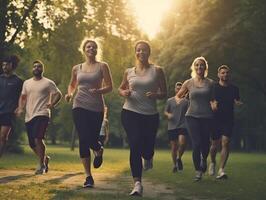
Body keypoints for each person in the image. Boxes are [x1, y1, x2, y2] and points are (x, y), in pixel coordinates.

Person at [119, 40, 167, 196]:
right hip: (129, 112)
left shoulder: (157, 71)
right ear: (135, 52)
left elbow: (164, 93)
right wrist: (124, 92)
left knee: (147, 148)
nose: (141, 53)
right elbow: (121, 88)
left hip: (150, 115)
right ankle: (137, 183)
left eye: (144, 50)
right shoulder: (128, 72)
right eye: (138, 50)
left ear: (149, 52)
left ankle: (148, 156)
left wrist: (155, 95)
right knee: (135, 144)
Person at [65, 39, 113, 188]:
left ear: (97, 50)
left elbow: (110, 87)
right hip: (79, 105)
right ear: (84, 49)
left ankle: (98, 149)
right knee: (83, 138)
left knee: (91, 137)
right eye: (88, 46)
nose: (91, 48)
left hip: (96, 107)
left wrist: (99, 91)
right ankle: (88, 176)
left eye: (94, 47)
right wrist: (70, 94)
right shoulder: (76, 68)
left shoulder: (102, 66)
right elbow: (72, 84)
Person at [16, 60, 62, 174]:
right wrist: (20, 108)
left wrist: (52, 104)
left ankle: (41, 165)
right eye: (35, 66)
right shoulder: (27, 83)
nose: (36, 68)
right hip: (29, 115)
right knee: (32, 144)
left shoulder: (48, 82)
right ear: (32, 69)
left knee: (38, 138)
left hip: (42, 114)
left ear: (42, 69)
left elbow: (58, 94)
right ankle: (45, 159)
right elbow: (23, 97)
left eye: (39, 66)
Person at [177, 56, 214, 181]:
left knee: (205, 143)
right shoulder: (188, 83)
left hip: (207, 117)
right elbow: (177, 97)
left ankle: (204, 159)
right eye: (197, 65)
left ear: (205, 67)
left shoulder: (211, 83)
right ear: (194, 67)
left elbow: (214, 99)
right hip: (191, 116)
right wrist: (183, 99)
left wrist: (214, 104)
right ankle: (198, 171)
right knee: (196, 143)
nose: (199, 67)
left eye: (201, 65)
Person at [209, 65, 243, 179]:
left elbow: (236, 100)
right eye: (222, 73)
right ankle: (213, 162)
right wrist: (212, 105)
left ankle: (221, 170)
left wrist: (238, 103)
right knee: (214, 145)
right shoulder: (213, 87)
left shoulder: (234, 88)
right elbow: (210, 100)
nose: (225, 75)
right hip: (215, 119)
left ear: (229, 74)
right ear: (219, 75)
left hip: (228, 119)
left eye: (227, 73)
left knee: (225, 142)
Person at [0, 55, 23, 157]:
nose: (4, 67)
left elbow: (23, 97)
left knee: (3, 136)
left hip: (8, 112)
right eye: (3, 65)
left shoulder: (18, 81)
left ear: (12, 65)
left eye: (7, 65)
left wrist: (20, 108)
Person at [164, 82, 188, 173]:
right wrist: (168, 114)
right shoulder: (170, 101)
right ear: (175, 89)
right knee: (174, 147)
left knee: (182, 143)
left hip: (183, 125)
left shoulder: (186, 101)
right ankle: (174, 165)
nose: (179, 90)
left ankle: (179, 158)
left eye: (180, 88)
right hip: (172, 126)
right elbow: (165, 112)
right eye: (177, 88)